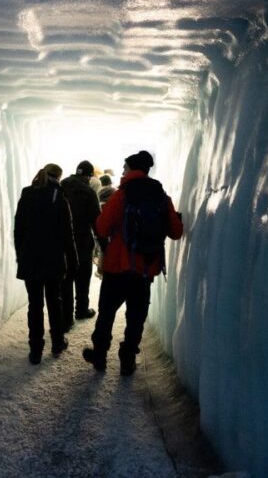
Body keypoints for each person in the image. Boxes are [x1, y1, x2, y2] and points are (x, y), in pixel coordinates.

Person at [83, 151, 183, 375]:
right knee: (136, 316)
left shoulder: (121, 195)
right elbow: (176, 232)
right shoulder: (160, 196)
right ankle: (127, 359)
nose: (122, 171)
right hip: (145, 268)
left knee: (107, 312)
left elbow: (101, 227)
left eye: (125, 167)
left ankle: (99, 354)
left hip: (117, 267)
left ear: (131, 169)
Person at [14, 163, 78, 365]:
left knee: (35, 304)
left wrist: (20, 254)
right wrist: (73, 260)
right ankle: (57, 343)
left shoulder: (27, 194)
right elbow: (68, 234)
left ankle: (35, 350)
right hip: (53, 259)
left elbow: (18, 229)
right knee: (54, 302)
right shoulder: (59, 197)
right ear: (58, 177)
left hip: (30, 258)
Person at [60, 160, 102, 328]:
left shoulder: (62, 186)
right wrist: (103, 245)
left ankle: (66, 317)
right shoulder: (89, 192)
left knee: (65, 279)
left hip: (63, 241)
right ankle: (81, 309)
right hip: (83, 241)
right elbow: (96, 222)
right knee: (83, 277)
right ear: (89, 176)